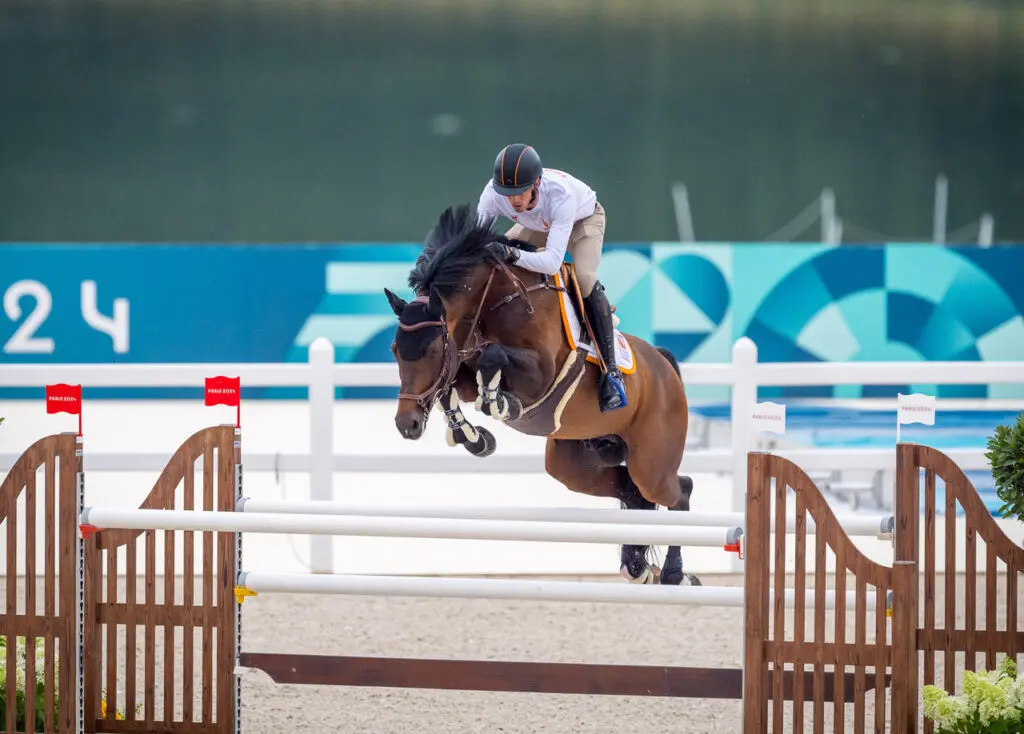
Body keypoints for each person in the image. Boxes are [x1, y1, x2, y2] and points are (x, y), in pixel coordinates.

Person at [477, 142, 627, 412]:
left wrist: (510, 254)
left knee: (583, 277)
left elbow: (551, 263)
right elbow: (475, 244)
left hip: (583, 221)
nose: (513, 201)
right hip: (539, 225)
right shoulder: (491, 194)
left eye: (520, 192)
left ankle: (611, 371)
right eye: (506, 193)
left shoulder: (560, 195)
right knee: (489, 263)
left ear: (536, 183)